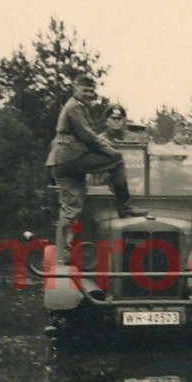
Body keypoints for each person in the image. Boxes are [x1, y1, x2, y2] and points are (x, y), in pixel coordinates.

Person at [45, 76, 141, 259]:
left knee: (72, 207)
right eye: (85, 90)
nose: (89, 94)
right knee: (117, 160)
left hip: (61, 162)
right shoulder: (74, 107)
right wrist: (111, 151)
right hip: (71, 158)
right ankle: (125, 207)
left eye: (91, 91)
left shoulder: (75, 106)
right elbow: (88, 137)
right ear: (75, 88)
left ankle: (62, 252)